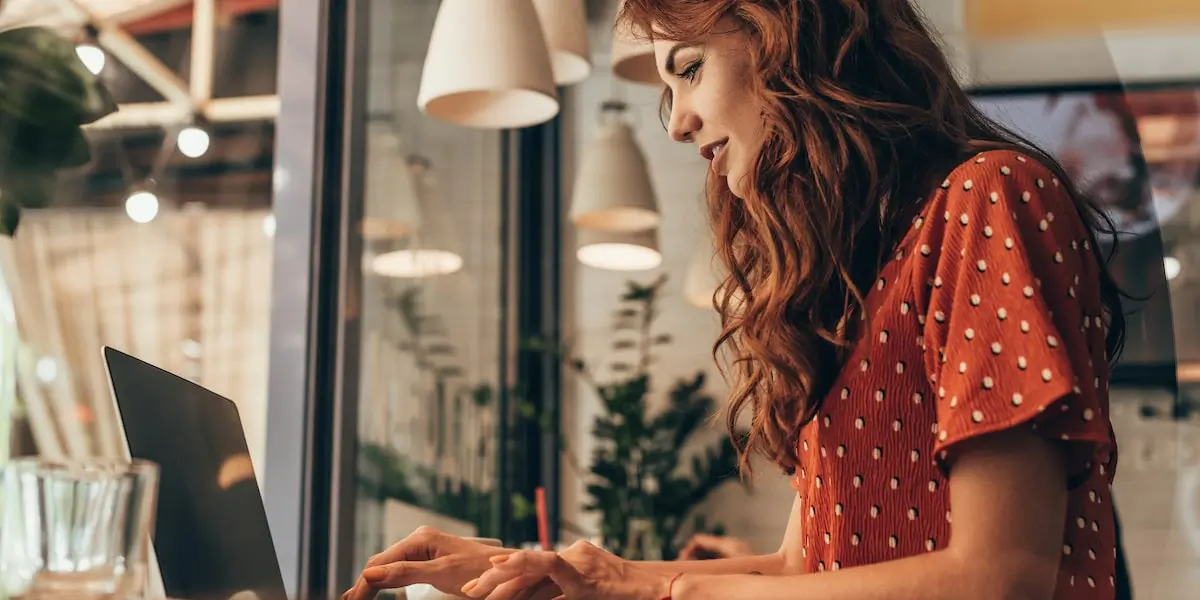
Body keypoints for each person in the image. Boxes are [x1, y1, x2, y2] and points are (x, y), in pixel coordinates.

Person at [344, 1, 1126, 599]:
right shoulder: (852, 282)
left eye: (687, 69)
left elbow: (1001, 575)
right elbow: (804, 566)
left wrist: (688, 590)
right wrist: (590, 575)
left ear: (788, 33)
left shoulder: (987, 197)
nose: (678, 123)